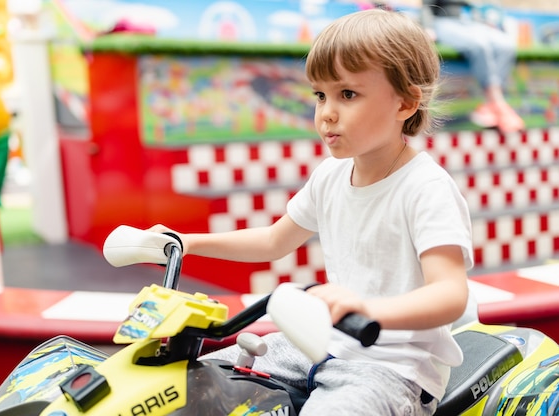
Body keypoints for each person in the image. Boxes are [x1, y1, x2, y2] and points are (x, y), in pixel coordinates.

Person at [149, 9, 473, 415]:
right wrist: (185, 241)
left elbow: (450, 294)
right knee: (200, 380)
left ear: (406, 103)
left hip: (391, 366)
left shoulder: (425, 188)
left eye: (347, 95)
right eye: (320, 95)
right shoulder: (333, 174)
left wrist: (369, 310)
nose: (327, 113)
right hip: (323, 343)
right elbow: (273, 240)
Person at [421, 0, 524, 134]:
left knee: (506, 44)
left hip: (470, 23)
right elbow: (426, 7)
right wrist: (427, 27)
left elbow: (479, 8)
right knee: (480, 45)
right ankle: (497, 102)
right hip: (445, 21)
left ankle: (489, 106)